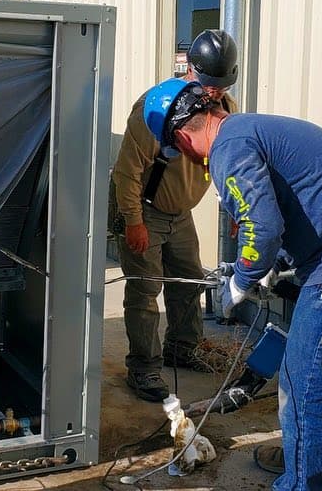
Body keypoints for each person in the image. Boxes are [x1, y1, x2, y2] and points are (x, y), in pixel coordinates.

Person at [142, 79, 322, 490]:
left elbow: (262, 226)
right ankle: (310, 462)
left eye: (178, 149)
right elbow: (292, 204)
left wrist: (243, 277)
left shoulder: (228, 149)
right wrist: (274, 261)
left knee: (303, 382)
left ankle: (304, 481)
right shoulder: (248, 129)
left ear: (181, 136)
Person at [110, 29, 240, 402]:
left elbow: (228, 162)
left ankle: (183, 348)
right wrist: (133, 221)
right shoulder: (156, 107)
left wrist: (236, 206)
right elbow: (127, 172)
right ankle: (144, 368)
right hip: (144, 210)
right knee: (145, 291)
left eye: (220, 84)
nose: (213, 92)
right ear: (191, 70)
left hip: (180, 213)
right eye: (207, 84)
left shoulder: (226, 106)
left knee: (188, 283)